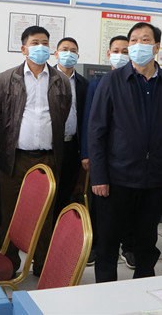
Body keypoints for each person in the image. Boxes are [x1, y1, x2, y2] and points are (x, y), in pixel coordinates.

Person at [88, 21, 162, 282]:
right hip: (116, 178)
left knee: (146, 242)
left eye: (145, 40)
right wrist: (98, 176)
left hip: (154, 179)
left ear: (156, 47)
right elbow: (96, 132)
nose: (137, 45)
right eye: (133, 40)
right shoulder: (111, 81)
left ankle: (142, 286)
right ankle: (105, 290)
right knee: (108, 242)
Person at [0, 25, 72, 277]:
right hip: (15, 158)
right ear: (24, 49)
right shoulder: (6, 78)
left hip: (48, 158)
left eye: (45, 43)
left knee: (45, 215)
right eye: (35, 43)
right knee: (11, 213)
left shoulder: (61, 80)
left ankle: (41, 264)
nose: (41, 47)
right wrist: (15, 134)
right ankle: (8, 264)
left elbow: (62, 114)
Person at [79, 34, 135, 267]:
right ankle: (96, 245)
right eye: (116, 51)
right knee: (100, 202)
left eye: (125, 51)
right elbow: (89, 123)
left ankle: (129, 246)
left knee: (129, 204)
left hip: (129, 157)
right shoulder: (97, 84)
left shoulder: (137, 83)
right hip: (102, 155)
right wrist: (86, 153)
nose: (120, 55)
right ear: (108, 54)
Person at [53, 37, 89, 215]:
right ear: (56, 54)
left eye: (73, 51)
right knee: (47, 193)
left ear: (78, 56)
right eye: (64, 49)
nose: (69, 53)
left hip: (73, 146)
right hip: (50, 146)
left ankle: (60, 228)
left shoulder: (84, 84)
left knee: (66, 192)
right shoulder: (46, 78)